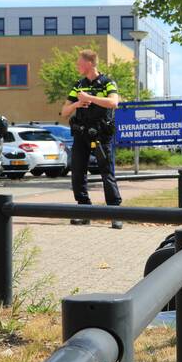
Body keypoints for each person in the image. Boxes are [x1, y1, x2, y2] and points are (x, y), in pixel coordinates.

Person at [60, 49, 122, 229]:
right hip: (82, 134)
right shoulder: (78, 85)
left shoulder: (107, 83)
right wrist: (78, 103)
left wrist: (90, 98)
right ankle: (84, 211)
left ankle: (115, 214)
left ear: (90, 63)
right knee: (78, 172)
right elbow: (64, 111)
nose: (77, 65)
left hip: (101, 135)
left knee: (106, 172)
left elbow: (113, 103)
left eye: (80, 62)